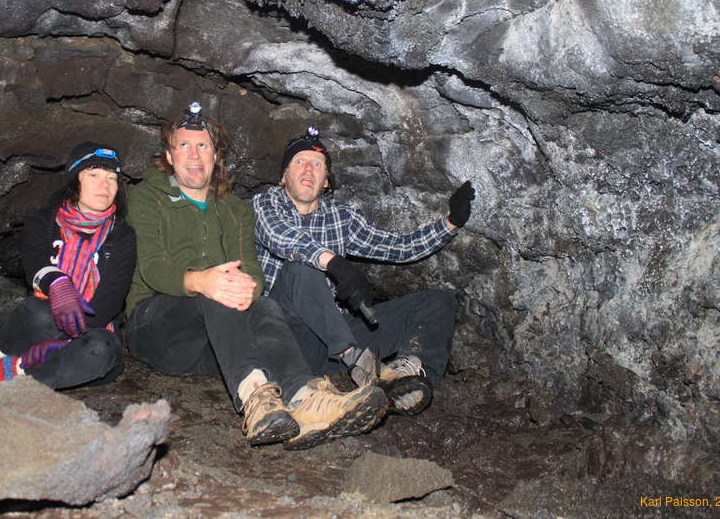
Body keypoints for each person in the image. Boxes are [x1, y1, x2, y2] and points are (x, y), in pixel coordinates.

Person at [125, 102, 386, 450]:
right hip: (157, 327)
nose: (194, 155)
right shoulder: (147, 197)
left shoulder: (234, 210)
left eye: (203, 145)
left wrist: (248, 287)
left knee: (262, 304)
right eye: (183, 145)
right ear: (170, 156)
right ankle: (255, 400)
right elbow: (153, 268)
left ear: (216, 155)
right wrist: (204, 281)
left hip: (215, 344)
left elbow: (253, 271)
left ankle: (304, 398)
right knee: (218, 290)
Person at [252, 126, 475, 415]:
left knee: (438, 302)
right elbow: (281, 236)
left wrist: (451, 223)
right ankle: (360, 365)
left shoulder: (340, 217)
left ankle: (410, 380)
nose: (308, 169)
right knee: (301, 269)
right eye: (299, 162)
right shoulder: (265, 203)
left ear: (326, 182)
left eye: (317, 165)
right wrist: (333, 263)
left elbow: (398, 247)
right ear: (284, 176)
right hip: (288, 339)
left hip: (335, 338)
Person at [0, 141, 136, 404]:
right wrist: (57, 282)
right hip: (42, 323)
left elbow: (109, 301)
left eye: (112, 178)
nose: (105, 185)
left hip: (92, 331)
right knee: (38, 313)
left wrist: (61, 346)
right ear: (75, 180)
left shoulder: (122, 237)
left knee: (100, 349)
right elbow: (34, 264)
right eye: (94, 175)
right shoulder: (42, 222)